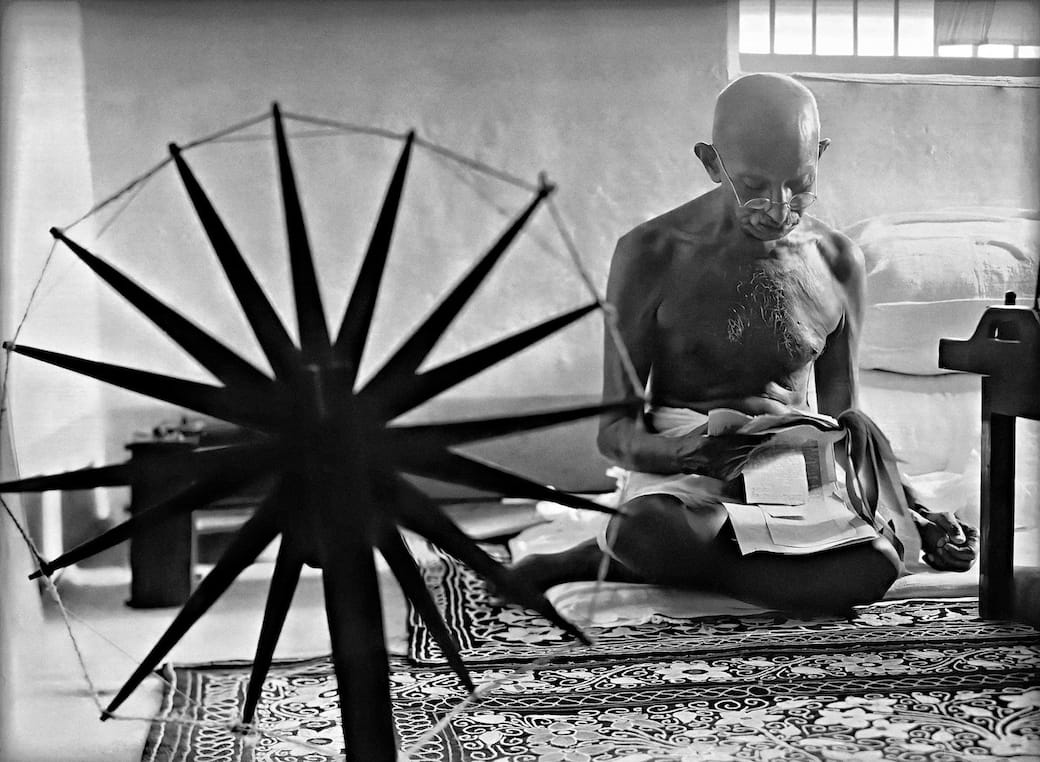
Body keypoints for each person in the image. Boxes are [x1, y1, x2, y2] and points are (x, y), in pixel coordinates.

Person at [514, 73, 977, 615]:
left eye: (800, 183)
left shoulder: (840, 261)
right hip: (689, 475)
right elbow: (614, 432)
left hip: (796, 471)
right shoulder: (651, 254)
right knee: (648, 526)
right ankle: (641, 551)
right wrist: (690, 452)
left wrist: (912, 507)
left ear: (820, 154)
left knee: (879, 562)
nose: (779, 208)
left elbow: (845, 417)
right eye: (754, 186)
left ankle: (627, 559)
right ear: (712, 164)